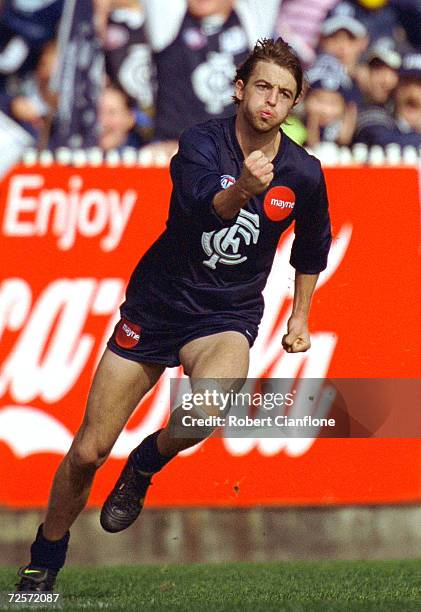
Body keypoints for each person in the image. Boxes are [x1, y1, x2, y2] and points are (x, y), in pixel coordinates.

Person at [15, 37, 332, 592]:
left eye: (284, 94)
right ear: (239, 89)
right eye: (262, 86)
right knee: (89, 451)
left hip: (225, 315)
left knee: (207, 410)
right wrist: (242, 192)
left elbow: (312, 246)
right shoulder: (201, 143)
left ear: (294, 104)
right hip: (158, 305)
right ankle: (47, 554)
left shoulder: (304, 172)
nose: (270, 101)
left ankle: (145, 462)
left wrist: (299, 318)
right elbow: (198, 208)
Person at [354, 52, 421, 146]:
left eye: (420, 85)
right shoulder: (374, 114)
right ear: (395, 87)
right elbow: (381, 139)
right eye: (407, 83)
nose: (413, 92)